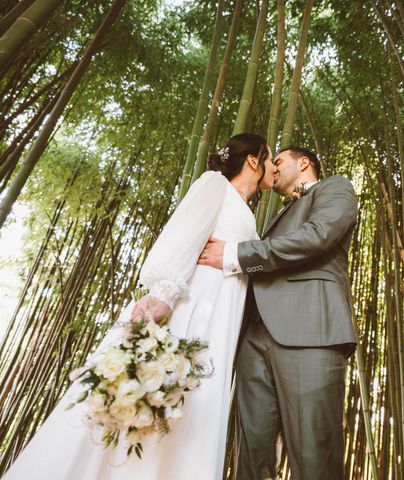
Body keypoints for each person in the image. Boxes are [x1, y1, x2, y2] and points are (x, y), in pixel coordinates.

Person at [1, 133, 276, 480]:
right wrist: (162, 293)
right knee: (164, 392)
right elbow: (183, 235)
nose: (275, 168)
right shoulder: (215, 185)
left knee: (197, 406)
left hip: (225, 314)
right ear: (253, 160)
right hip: (196, 306)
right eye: (271, 158)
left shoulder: (247, 211)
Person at [199, 146, 358, 479]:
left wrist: (236, 254)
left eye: (279, 161)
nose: (271, 168)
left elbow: (317, 236)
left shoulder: (335, 188)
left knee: (314, 451)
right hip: (254, 337)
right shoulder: (277, 215)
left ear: (303, 163)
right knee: (251, 452)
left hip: (310, 329)